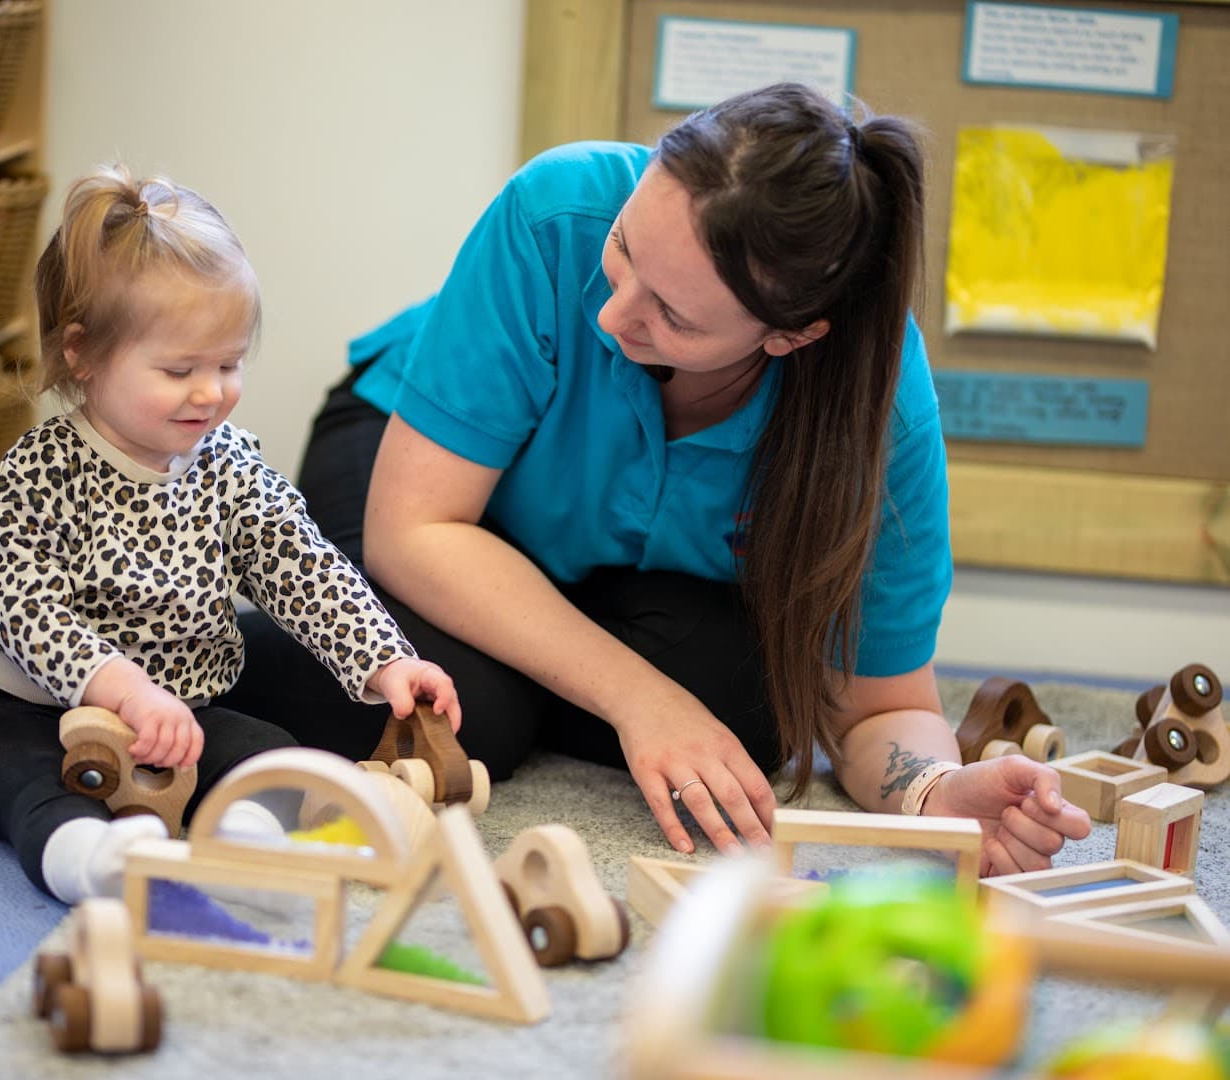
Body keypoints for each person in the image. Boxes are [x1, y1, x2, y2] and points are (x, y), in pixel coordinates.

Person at [217, 83, 1090, 876]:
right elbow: (415, 532)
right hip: (418, 474)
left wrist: (939, 795)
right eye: (622, 247)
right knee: (465, 706)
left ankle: (542, 677)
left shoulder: (878, 407)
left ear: (788, 338)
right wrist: (640, 698)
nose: (609, 313)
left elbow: (871, 710)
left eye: (671, 313)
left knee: (756, 707)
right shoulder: (551, 210)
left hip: (601, 564)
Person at [0, 165, 460, 904]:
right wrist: (122, 690)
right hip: (34, 710)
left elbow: (303, 567)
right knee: (1, 773)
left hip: (183, 713)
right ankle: (83, 857)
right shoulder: (42, 469)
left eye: (228, 364)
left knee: (276, 758)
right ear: (82, 354)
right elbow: (22, 604)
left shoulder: (230, 465)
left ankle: (246, 843)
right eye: (179, 369)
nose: (210, 391)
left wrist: (385, 662)